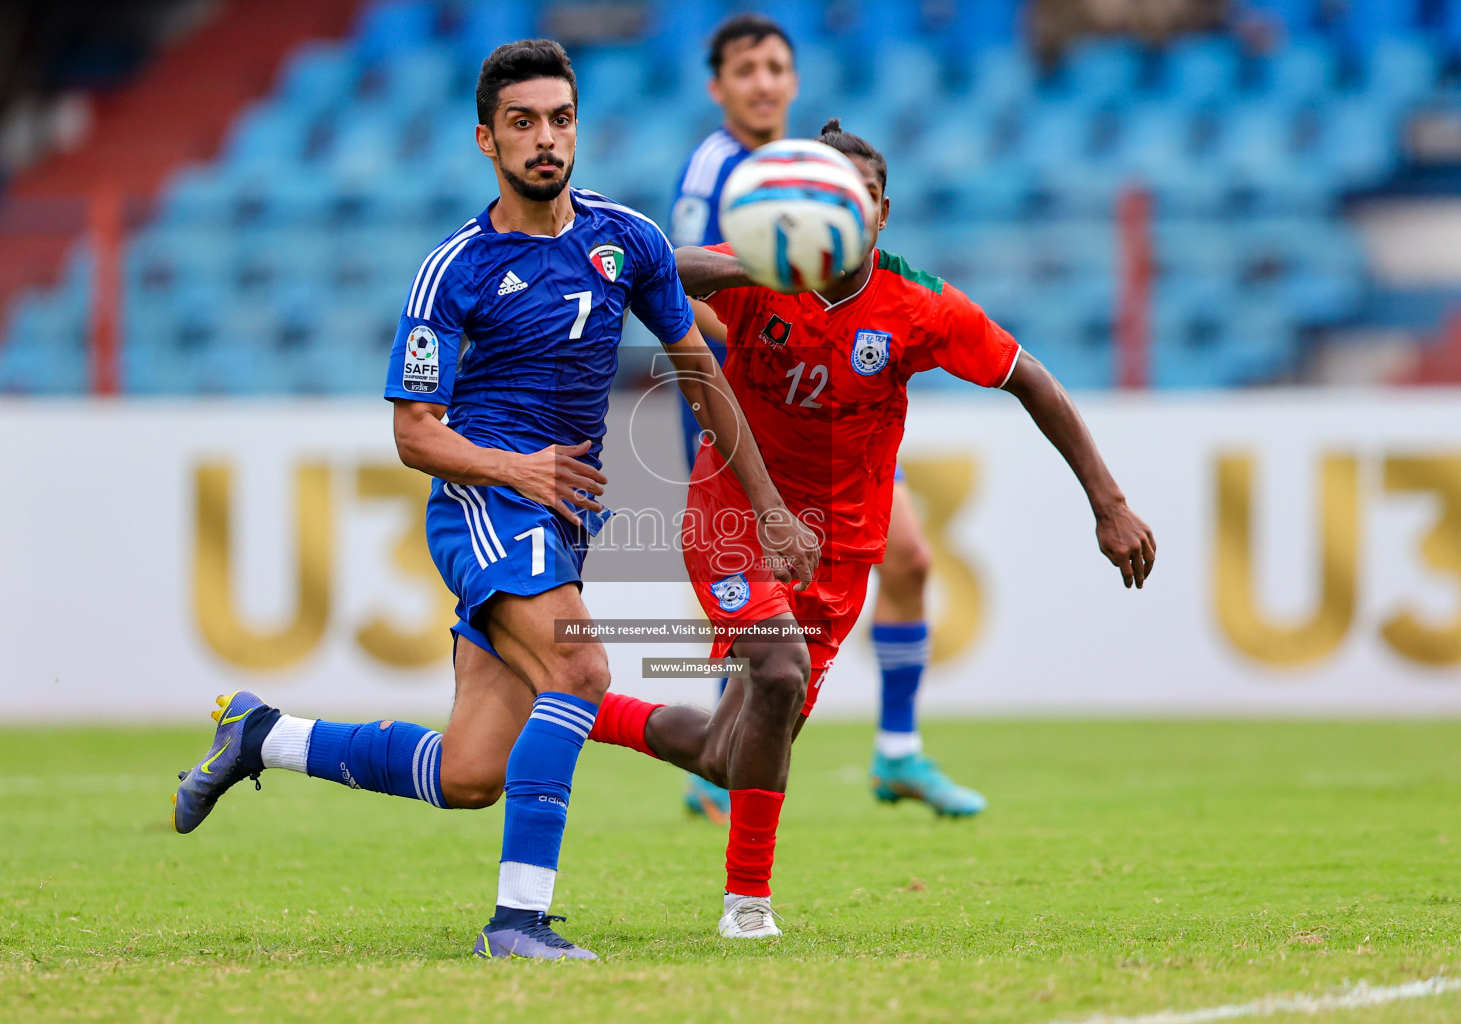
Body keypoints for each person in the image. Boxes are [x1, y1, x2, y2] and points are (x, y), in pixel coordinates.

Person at [169, 39, 816, 961]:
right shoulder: (455, 268)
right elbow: (414, 434)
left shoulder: (625, 241)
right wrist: (519, 471)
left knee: (471, 772)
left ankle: (263, 737)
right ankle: (517, 926)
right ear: (487, 140)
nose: (545, 140)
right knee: (584, 670)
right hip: (485, 501)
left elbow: (698, 372)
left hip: (564, 519)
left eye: (560, 120)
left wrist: (768, 509)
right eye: (523, 124)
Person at [587, 120, 1157, 938]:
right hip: (735, 514)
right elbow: (655, 271)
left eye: (849, 199)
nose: (832, 213)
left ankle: (577, 706)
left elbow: (1030, 379)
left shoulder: (920, 306)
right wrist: (765, 261)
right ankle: (747, 907)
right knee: (778, 670)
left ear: (880, 212)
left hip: (841, 548)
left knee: (729, 747)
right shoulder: (758, 274)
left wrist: (1107, 501)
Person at [668, 13, 986, 823]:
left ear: (795, 81)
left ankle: (897, 752)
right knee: (766, 592)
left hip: (841, 404)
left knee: (907, 558)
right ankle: (724, 755)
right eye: (746, 71)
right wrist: (759, 347)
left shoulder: (812, 170)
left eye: (777, 67)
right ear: (720, 87)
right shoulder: (717, 170)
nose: (764, 82)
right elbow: (678, 295)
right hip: (760, 405)